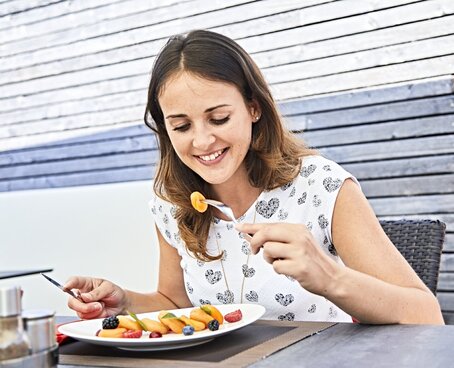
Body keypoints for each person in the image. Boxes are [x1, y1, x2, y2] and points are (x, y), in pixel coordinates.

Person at [65, 29, 444, 324]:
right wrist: (125, 302)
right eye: (180, 126)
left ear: (253, 108)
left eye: (219, 118)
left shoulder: (321, 185)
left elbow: (424, 315)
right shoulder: (171, 204)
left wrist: (329, 277)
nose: (201, 141)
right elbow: (175, 304)